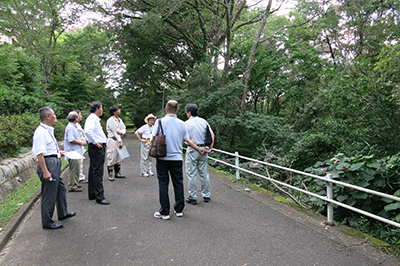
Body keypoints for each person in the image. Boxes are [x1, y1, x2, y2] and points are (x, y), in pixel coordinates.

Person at [152, 100, 203, 220]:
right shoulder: (182, 124)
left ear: (166, 109)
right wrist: (197, 148)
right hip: (177, 158)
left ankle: (165, 212)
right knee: (178, 183)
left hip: (163, 157)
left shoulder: (159, 122)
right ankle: (179, 209)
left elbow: (154, 137)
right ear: (178, 109)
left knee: (163, 184)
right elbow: (186, 139)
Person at [32, 106, 76, 230]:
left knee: (61, 189)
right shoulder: (40, 132)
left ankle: (63, 212)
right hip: (48, 164)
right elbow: (40, 154)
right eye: (54, 114)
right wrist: (45, 171)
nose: (55, 116)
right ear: (47, 116)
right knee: (49, 193)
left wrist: (58, 153)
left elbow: (48, 149)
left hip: (54, 161)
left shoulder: (48, 130)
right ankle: (47, 221)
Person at [184, 103, 214, 205]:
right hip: (204, 148)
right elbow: (211, 134)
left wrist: (196, 148)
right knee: (204, 173)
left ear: (189, 112)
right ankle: (206, 195)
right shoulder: (203, 121)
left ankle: (192, 197)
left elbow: (186, 139)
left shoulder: (186, 123)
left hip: (193, 149)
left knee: (191, 173)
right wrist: (210, 148)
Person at [84, 101, 110, 205]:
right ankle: (99, 196)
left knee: (93, 170)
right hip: (97, 147)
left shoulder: (94, 119)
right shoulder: (92, 119)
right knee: (97, 171)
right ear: (97, 109)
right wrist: (96, 143)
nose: (102, 110)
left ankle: (93, 193)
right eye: (101, 108)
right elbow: (88, 131)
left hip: (97, 146)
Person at [64, 111, 86, 192]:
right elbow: (71, 140)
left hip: (75, 151)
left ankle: (74, 183)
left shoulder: (73, 126)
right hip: (73, 152)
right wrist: (81, 142)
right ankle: (72, 186)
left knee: (75, 168)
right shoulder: (71, 127)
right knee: (74, 169)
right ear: (76, 118)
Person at [106, 105, 127, 181]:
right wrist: (120, 141)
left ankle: (118, 172)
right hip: (113, 140)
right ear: (114, 112)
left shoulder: (119, 120)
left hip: (119, 139)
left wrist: (121, 133)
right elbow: (115, 132)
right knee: (111, 156)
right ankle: (110, 174)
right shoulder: (111, 120)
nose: (119, 110)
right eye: (118, 110)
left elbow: (123, 128)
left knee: (119, 157)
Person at [75, 109, 88, 184]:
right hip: (77, 146)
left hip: (80, 146)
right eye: (80, 115)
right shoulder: (74, 126)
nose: (81, 116)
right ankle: (79, 177)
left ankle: (80, 176)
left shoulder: (78, 125)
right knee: (78, 163)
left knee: (81, 162)